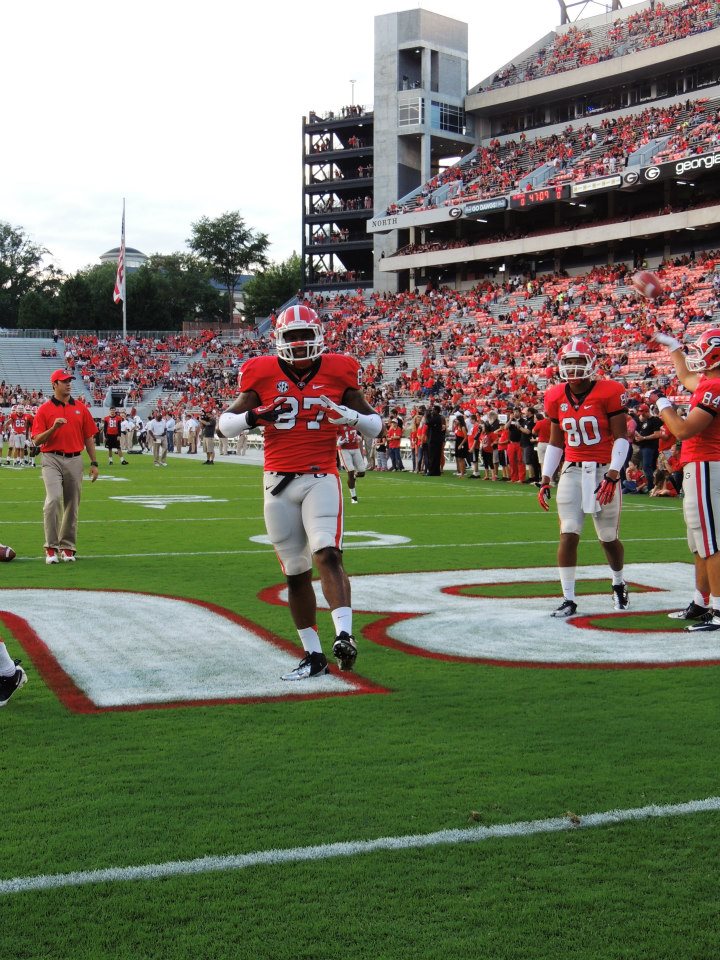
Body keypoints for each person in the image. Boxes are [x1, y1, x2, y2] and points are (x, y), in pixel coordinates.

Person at [217, 304, 382, 679]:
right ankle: (313, 655)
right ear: (279, 339)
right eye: (292, 335)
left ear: (319, 336)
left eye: (306, 334)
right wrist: (254, 417)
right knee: (295, 571)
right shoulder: (259, 372)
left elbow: (377, 425)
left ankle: (344, 635)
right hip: (277, 483)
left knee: (327, 552)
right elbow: (223, 425)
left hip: (320, 476)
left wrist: (351, 417)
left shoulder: (340, 369)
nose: (300, 342)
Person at [537, 338, 630, 617]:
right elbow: (556, 443)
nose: (574, 367)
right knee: (568, 534)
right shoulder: (554, 395)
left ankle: (618, 582)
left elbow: (621, 438)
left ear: (591, 363)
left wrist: (613, 473)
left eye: (579, 361)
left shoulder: (609, 391)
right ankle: (568, 598)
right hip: (572, 470)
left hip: (603, 470)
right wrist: (544, 478)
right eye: (569, 361)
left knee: (608, 537)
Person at [651, 328, 720, 630]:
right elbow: (685, 377)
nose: (697, 356)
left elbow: (682, 430)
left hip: (707, 464)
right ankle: (701, 601)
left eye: (701, 350)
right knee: (698, 542)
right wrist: (674, 348)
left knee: (712, 544)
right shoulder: (710, 383)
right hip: (699, 466)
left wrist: (662, 404)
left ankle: (718, 609)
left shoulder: (715, 386)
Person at [31, 370, 99, 564]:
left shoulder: (81, 408)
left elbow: (88, 437)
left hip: (75, 459)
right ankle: (51, 547)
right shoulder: (44, 410)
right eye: (64, 381)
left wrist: (94, 463)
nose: (69, 384)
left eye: (70, 381)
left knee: (72, 503)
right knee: (53, 500)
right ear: (54, 384)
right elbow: (36, 440)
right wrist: (53, 428)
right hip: (51, 457)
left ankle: (67, 547)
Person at [337, 425, 366, 503]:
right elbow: (335, 438)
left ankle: (354, 476)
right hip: (344, 450)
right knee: (350, 471)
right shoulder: (339, 425)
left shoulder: (355, 423)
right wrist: (339, 442)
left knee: (362, 472)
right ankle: (353, 497)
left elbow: (358, 434)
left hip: (355, 448)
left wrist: (358, 437)